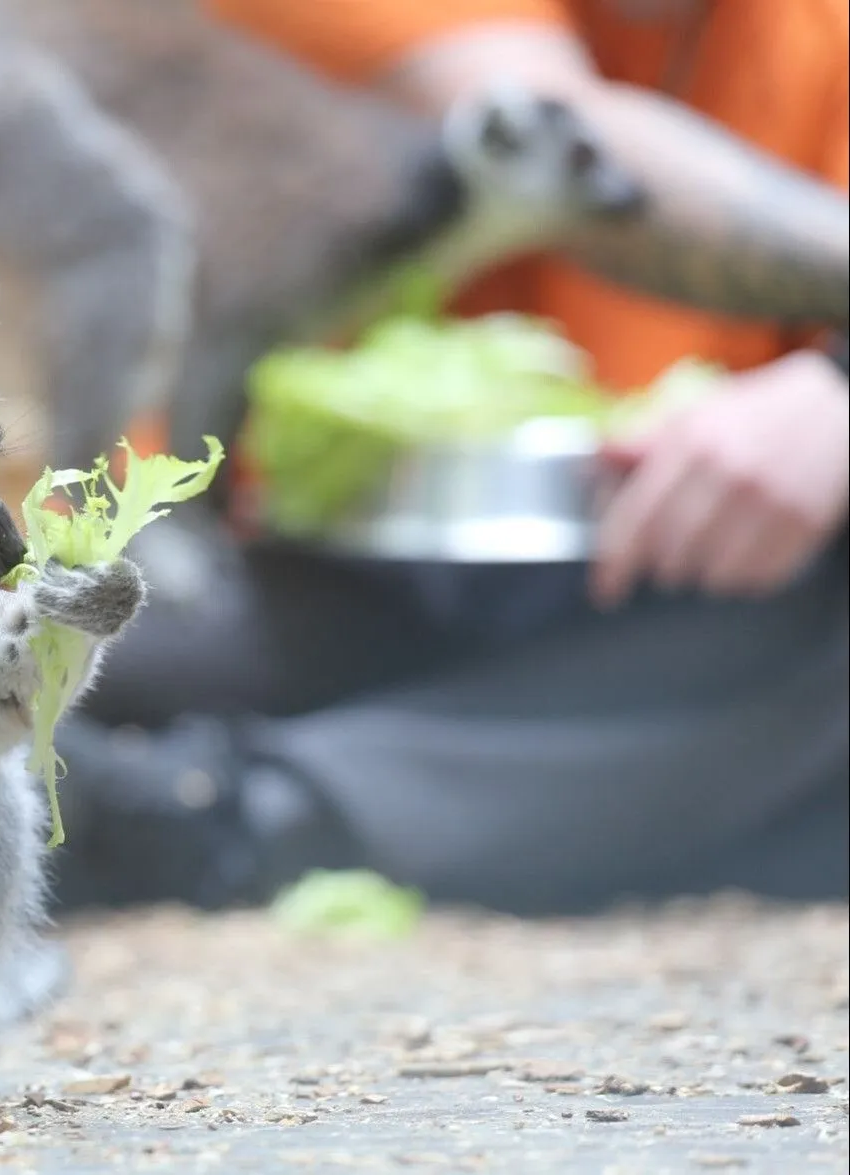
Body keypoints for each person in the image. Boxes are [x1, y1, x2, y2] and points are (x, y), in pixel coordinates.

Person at [48, 0, 850, 916]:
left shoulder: (810, 34)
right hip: (279, 549)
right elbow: (576, 152)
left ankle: (198, 813)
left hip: (682, 594)